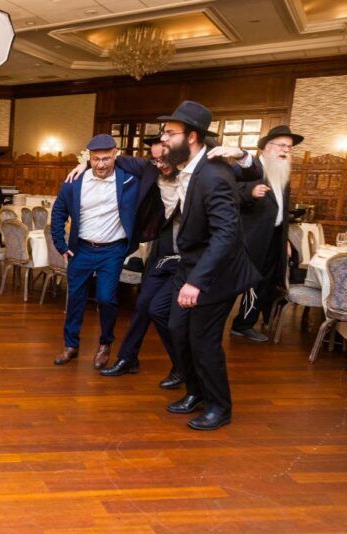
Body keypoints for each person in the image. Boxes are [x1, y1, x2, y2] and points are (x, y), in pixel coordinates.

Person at [97, 138, 264, 388]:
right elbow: (109, 159)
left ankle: (182, 367)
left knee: (160, 311)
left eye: (164, 159)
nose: (159, 164)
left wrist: (240, 154)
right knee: (142, 305)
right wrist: (81, 166)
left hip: (190, 260)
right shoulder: (152, 168)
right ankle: (128, 358)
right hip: (163, 253)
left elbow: (247, 173)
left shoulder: (202, 172)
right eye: (155, 159)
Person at [159, 100, 260, 431]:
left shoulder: (215, 173)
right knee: (177, 329)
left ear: (191, 136)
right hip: (190, 265)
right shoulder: (190, 165)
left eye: (169, 133)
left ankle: (220, 407)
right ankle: (196, 392)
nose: (163, 139)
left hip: (216, 273)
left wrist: (197, 282)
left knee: (203, 340)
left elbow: (226, 234)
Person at [51, 134, 139, 370]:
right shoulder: (74, 181)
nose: (100, 164)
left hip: (113, 250)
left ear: (115, 155)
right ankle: (71, 345)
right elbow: (58, 212)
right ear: (88, 158)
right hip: (81, 249)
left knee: (106, 298)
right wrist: (60, 244)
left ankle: (105, 344)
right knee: (75, 299)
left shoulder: (129, 180)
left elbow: (151, 169)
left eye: (106, 158)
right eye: (96, 159)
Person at [230, 125, 302, 342]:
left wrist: (284, 239)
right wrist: (250, 194)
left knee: (262, 283)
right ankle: (209, 323)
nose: (286, 150)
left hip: (273, 238)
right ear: (267, 147)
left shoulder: (282, 171)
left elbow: (281, 210)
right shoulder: (247, 169)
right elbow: (228, 196)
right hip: (247, 239)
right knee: (234, 282)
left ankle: (243, 324)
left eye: (289, 147)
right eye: (282, 145)